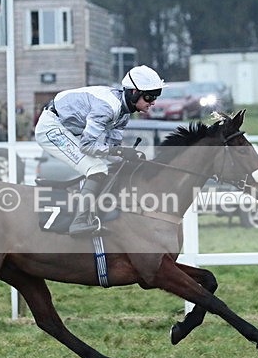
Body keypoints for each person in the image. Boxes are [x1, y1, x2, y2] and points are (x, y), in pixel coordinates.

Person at [35, 64, 165, 236]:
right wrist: (120, 152)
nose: (153, 102)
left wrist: (130, 159)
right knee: (96, 168)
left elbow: (113, 154)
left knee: (109, 167)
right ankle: (79, 222)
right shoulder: (107, 108)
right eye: (149, 97)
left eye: (156, 96)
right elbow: (88, 147)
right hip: (51, 128)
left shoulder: (123, 113)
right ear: (134, 92)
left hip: (68, 129)